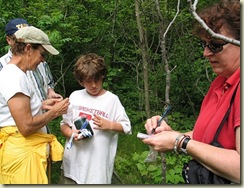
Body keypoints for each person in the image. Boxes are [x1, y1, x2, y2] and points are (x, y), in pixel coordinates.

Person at [141, 0, 240, 184]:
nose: (206, 53)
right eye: (204, 45)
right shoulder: (219, 83)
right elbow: (207, 138)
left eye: (215, 45)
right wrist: (171, 134)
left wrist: (180, 142)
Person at [0, 26, 70, 184]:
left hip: (23, 156)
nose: (43, 60)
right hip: (22, 159)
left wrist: (42, 105)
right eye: (42, 54)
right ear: (28, 48)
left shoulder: (16, 74)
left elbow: (16, 111)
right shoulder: (14, 77)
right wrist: (54, 112)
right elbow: (25, 126)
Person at [60, 53, 132, 184]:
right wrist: (71, 134)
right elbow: (64, 124)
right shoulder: (75, 96)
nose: (93, 85)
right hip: (72, 167)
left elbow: (126, 127)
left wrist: (109, 125)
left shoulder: (112, 100)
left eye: (97, 80)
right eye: (88, 81)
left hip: (97, 171)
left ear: (103, 77)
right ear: (81, 81)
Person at [0, 18, 63, 102]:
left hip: (42, 113)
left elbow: (48, 82)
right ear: (9, 40)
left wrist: (50, 92)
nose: (24, 40)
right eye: (19, 37)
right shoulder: (3, 66)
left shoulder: (40, 60)